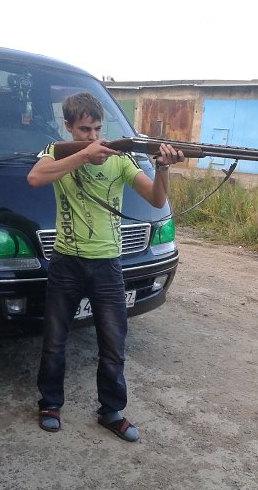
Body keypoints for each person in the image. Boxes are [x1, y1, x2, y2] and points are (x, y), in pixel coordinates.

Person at [27, 92, 183, 441]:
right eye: (85, 130)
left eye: (98, 129)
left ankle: (111, 411)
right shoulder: (56, 151)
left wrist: (162, 167)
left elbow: (156, 199)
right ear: (68, 127)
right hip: (66, 261)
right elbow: (35, 179)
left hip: (108, 265)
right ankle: (50, 403)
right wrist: (84, 155)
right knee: (54, 340)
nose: (93, 136)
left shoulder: (119, 159)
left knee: (113, 343)